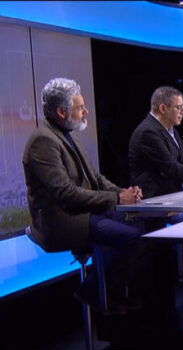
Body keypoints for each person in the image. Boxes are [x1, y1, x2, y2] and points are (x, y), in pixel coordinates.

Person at [23, 77, 145, 313]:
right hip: (63, 221)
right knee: (133, 239)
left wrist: (123, 192)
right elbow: (66, 194)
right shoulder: (42, 141)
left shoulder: (68, 134)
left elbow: (95, 179)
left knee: (144, 224)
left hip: (84, 213)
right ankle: (93, 289)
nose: (86, 111)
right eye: (80, 107)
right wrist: (117, 199)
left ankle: (107, 290)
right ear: (61, 112)